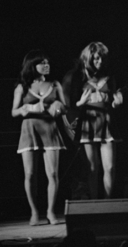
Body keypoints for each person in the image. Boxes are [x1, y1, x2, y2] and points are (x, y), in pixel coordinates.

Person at [11, 50, 66, 225]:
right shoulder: (22, 86)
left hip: (49, 128)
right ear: (32, 66)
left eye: (47, 62)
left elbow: (64, 107)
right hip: (29, 129)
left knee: (52, 173)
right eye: (42, 63)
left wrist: (57, 107)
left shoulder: (55, 84)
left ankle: (50, 211)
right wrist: (26, 109)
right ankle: (34, 212)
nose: (46, 65)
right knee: (30, 173)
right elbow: (14, 111)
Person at [63, 42, 123, 199]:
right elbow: (70, 105)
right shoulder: (78, 77)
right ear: (89, 59)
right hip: (88, 122)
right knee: (92, 168)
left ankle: (108, 202)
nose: (100, 62)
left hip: (107, 121)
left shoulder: (109, 77)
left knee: (109, 167)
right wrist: (80, 104)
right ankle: (95, 203)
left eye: (102, 59)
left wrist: (116, 102)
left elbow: (114, 99)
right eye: (96, 59)